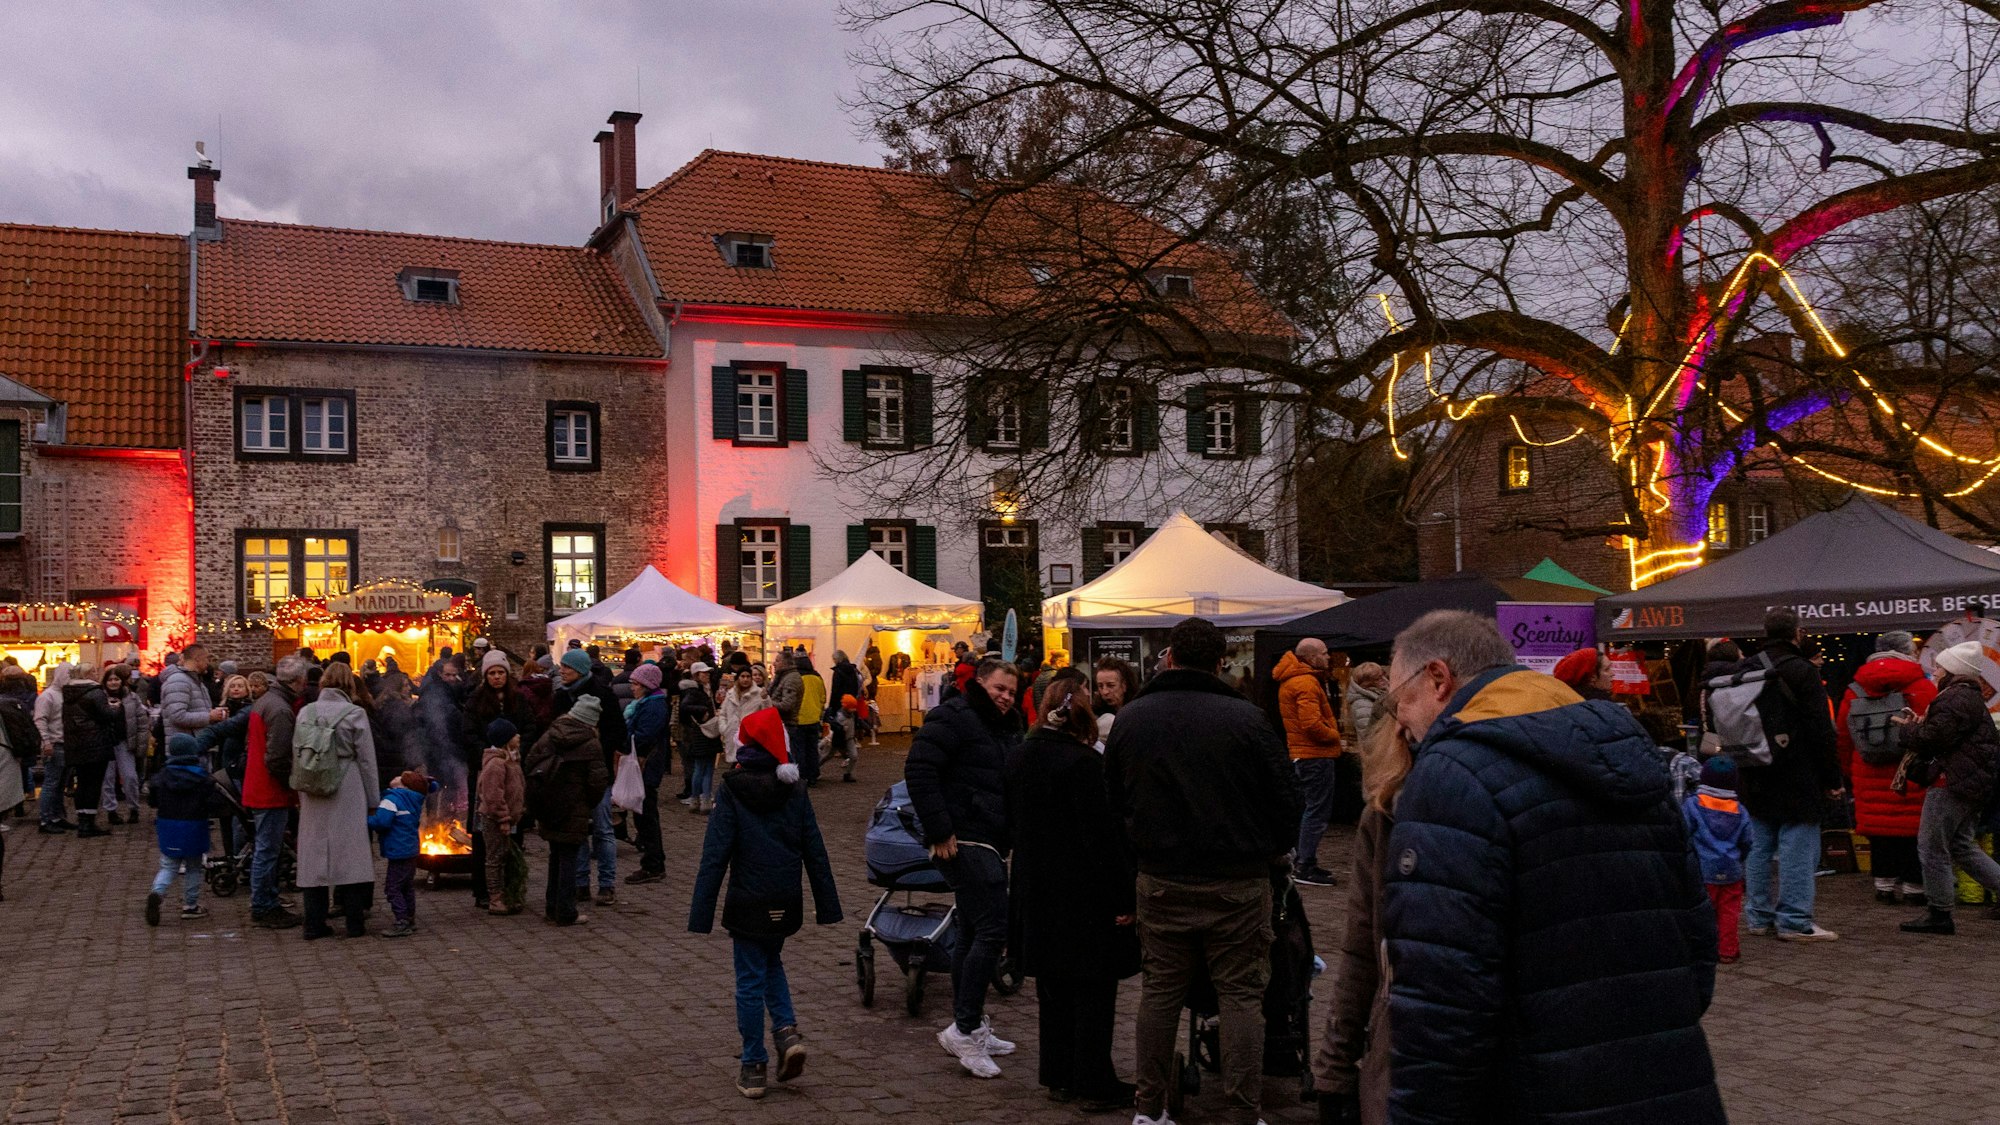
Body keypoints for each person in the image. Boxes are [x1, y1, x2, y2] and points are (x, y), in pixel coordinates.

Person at [1378, 609, 1723, 1123]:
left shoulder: (1451, 774)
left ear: (1438, 678)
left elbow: (1443, 999)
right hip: (1666, 1080)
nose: (1399, 718)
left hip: (1536, 1092)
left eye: (1396, 698)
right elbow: (1697, 944)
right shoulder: (1631, 752)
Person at [1103, 618, 1300, 1125]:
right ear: (1220, 662)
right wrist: (1268, 848)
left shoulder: (1133, 719)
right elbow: (1288, 801)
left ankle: (1149, 1109)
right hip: (1237, 880)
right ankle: (1242, 1110)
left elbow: (1113, 802)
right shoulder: (1247, 719)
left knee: (1161, 993)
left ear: (1169, 657)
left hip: (1163, 877)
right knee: (1240, 996)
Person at [689, 705, 842, 1100]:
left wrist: (700, 913)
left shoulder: (732, 789)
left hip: (747, 899)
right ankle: (787, 1032)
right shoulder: (796, 790)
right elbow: (815, 848)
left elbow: (715, 854)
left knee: (748, 979)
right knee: (771, 960)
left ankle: (753, 1063)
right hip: (785, 896)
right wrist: (827, 905)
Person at [1005, 677, 1138, 1112]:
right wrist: (1124, 898)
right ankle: (1093, 1080)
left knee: (1053, 987)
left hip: (1036, 886)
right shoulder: (1083, 764)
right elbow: (1101, 839)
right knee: (1092, 991)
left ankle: (1059, 1074)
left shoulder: (1023, 755)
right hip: (1082, 893)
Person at [906, 656, 1025, 1079]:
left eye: (1011, 692)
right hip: (964, 840)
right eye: (999, 689)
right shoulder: (954, 715)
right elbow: (919, 769)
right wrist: (939, 829)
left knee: (974, 929)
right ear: (980, 684)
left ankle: (969, 1023)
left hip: (987, 839)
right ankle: (964, 1028)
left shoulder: (1002, 726)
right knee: (995, 927)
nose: (1006, 698)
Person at [1312, 713, 1415, 1125]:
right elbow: (1361, 948)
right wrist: (1335, 1070)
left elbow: (1360, 948)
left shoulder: (1388, 809)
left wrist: (1334, 1070)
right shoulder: (1385, 811)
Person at [1732, 608, 1844, 941]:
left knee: (1760, 843)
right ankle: (1794, 919)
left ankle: (1758, 916)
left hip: (1753, 766)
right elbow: (1820, 728)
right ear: (1796, 632)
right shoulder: (1801, 670)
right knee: (1797, 841)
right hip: (1796, 769)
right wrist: (1832, 778)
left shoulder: (1747, 667)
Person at [1894, 640, 2000, 935]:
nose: (1935, 672)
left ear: (1953, 670)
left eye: (1939, 667)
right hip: (1970, 783)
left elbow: (1932, 738)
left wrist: (1907, 729)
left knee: (1931, 847)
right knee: (1961, 846)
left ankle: (1940, 913)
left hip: (1950, 782)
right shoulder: (1968, 698)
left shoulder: (1953, 699)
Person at [1835, 631, 1936, 904]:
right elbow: (1933, 730)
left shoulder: (1854, 688)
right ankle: (1915, 888)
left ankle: (1884, 886)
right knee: (1912, 830)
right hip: (1910, 769)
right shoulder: (1922, 685)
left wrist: (1849, 768)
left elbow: (1843, 735)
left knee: (1880, 831)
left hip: (1867, 768)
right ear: (1908, 651)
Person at [293, 662, 381, 941]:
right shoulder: (355, 714)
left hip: (313, 785)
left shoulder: (305, 712)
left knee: (313, 853)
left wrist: (300, 792)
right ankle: (354, 922)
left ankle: (313, 922)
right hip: (348, 782)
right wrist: (373, 799)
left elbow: (298, 753)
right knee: (351, 852)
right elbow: (366, 759)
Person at [525, 691, 609, 926]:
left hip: (549, 802)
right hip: (574, 806)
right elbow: (598, 781)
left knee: (555, 854)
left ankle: (552, 906)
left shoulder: (551, 734)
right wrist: (587, 803)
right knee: (569, 857)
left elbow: (531, 761)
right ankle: (566, 911)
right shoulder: (591, 743)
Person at [463, 650, 539, 911]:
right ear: (486, 676)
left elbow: (530, 728)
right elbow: (468, 734)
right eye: (492, 673)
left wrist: (517, 752)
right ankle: (485, 891)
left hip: (513, 771)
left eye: (500, 673)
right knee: (484, 836)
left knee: (512, 834)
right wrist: (489, 753)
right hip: (486, 771)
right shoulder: (475, 701)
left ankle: (510, 888)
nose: (497, 677)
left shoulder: (519, 700)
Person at [144, 726, 240, 925]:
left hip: (168, 825)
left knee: (168, 865)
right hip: (194, 825)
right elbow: (214, 803)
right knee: (193, 867)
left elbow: (152, 801)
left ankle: (158, 892)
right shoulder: (202, 778)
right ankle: (190, 905)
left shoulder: (161, 777)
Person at [555, 648, 625, 906]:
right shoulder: (561, 697)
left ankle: (607, 884)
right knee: (579, 829)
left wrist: (595, 748)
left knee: (604, 829)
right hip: (571, 773)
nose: (562, 671)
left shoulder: (603, 695)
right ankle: (581, 883)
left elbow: (617, 732)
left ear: (581, 670)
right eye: (561, 666)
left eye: (567, 667)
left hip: (598, 771)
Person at [1274, 637, 1344, 886]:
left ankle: (1304, 861)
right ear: (1311, 657)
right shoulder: (1305, 683)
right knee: (1317, 811)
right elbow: (1311, 724)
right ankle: (1305, 865)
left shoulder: (1294, 680)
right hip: (1315, 754)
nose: (1328, 657)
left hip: (1303, 754)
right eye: (1325, 653)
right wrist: (1336, 736)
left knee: (1309, 809)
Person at [243, 656, 307, 928]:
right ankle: (263, 906)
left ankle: (267, 899)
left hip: (261, 784)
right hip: (269, 789)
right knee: (267, 850)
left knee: (267, 848)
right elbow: (277, 757)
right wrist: (291, 784)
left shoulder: (267, 701)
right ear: (297, 681)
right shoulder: (280, 710)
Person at [1683, 755, 1753, 964]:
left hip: (1703, 870)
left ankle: (1702, 949)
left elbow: (1684, 832)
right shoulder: (1739, 810)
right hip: (1731, 870)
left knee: (1703, 913)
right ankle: (1728, 950)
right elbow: (1747, 840)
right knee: (1729, 913)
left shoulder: (1693, 805)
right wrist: (1740, 858)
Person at [368, 769, 438, 938]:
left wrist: (364, 820)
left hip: (398, 851)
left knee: (392, 888)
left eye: (400, 777)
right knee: (406, 886)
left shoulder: (392, 799)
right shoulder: (413, 799)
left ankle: (402, 921)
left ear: (403, 785)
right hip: (411, 850)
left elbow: (382, 822)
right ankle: (410, 918)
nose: (395, 777)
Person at [60, 659, 124, 838]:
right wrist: (116, 708)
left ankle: (82, 820)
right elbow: (106, 715)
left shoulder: (68, 692)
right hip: (95, 743)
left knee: (81, 783)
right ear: (88, 674)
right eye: (94, 672)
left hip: (75, 744)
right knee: (93, 783)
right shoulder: (95, 692)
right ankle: (89, 822)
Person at [623, 662, 673, 886]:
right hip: (644, 765)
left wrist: (628, 740)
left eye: (635, 684)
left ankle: (653, 863)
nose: (632, 687)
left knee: (646, 816)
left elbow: (644, 736)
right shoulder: (646, 703)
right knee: (643, 815)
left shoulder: (653, 707)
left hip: (646, 766)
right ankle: (652, 861)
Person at [476, 719, 528, 915]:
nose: (519, 736)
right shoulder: (496, 764)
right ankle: (495, 898)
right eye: (514, 734)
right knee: (495, 859)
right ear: (506, 739)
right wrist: (504, 819)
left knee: (504, 858)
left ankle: (507, 895)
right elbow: (493, 796)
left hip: (508, 818)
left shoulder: (510, 760)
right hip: (495, 819)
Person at [99, 664, 149, 826]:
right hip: (105, 743)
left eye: (116, 679)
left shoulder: (131, 697)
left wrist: (141, 744)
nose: (113, 682)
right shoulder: (99, 697)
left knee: (130, 777)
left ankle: (133, 808)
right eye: (110, 680)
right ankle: (111, 810)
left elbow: (141, 721)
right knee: (107, 778)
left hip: (124, 742)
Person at [35, 662, 73, 832]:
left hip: (65, 743)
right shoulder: (48, 696)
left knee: (60, 784)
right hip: (54, 743)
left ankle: (57, 816)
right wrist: (46, 741)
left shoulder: (65, 695)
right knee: (51, 783)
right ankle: (45, 819)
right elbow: (40, 720)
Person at [827, 650, 862, 782]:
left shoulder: (838, 672)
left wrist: (831, 708)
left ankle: (815, 769)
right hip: (850, 707)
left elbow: (835, 691)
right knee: (848, 738)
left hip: (840, 708)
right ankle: (848, 772)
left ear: (837, 659)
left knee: (832, 747)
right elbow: (857, 688)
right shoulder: (853, 671)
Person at [794, 652, 827, 785]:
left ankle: (802, 775)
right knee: (812, 749)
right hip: (813, 719)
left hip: (799, 719)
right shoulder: (817, 677)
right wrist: (818, 710)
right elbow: (823, 697)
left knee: (800, 750)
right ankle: (813, 775)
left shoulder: (796, 678)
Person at [1092, 656, 1137, 749]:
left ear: (1124, 685)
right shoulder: (1094, 715)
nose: (1105, 691)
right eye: (1100, 686)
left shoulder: (1138, 712)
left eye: (1110, 685)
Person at [1341, 662, 1386, 746]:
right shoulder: (1362, 705)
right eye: (1378, 679)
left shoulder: (1377, 694)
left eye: (1383, 675)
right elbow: (1369, 736)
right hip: (1378, 751)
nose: (1384, 680)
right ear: (1367, 683)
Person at [1550, 645, 1615, 700]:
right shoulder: (1600, 706)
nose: (1612, 674)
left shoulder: (1567, 701)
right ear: (1592, 677)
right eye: (1606, 669)